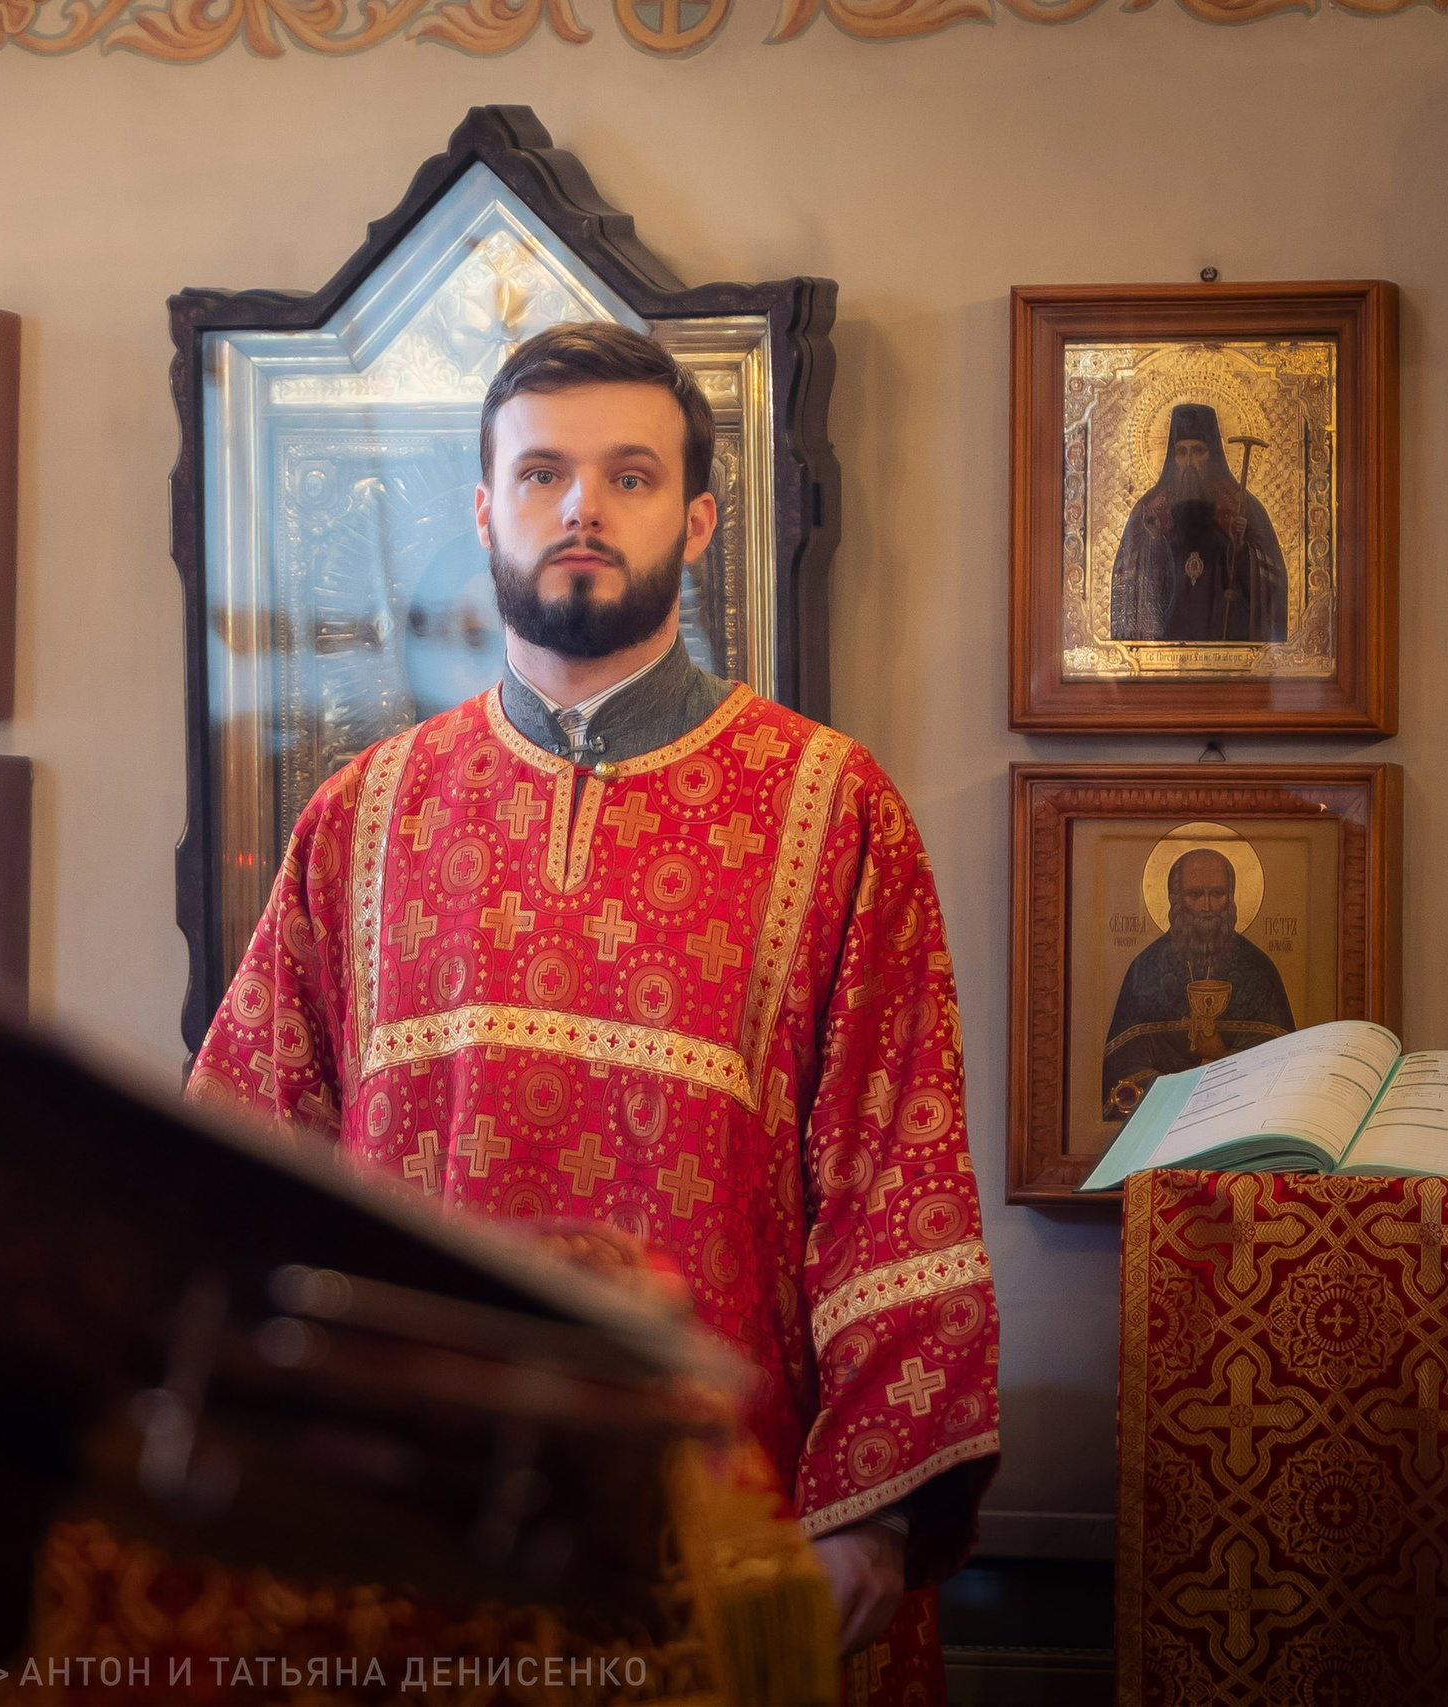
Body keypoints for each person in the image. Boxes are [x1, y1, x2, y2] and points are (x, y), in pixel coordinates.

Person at [188, 321, 999, 1701]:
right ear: (486, 510)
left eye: (628, 476)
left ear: (696, 520)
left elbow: (895, 1175)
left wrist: (865, 1511)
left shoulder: (830, 806)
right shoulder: (365, 816)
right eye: (545, 473)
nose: (582, 506)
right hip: (410, 1514)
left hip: (718, 1512)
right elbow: (244, 1158)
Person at [1102, 847, 1296, 1118]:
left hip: (1239, 1122)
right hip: (1162, 1124)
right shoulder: (1145, 969)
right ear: (1174, 899)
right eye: (1195, 895)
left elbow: (1283, 1064)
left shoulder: (1258, 968)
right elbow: (1123, 1071)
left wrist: (1221, 1056)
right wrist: (1188, 1084)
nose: (1206, 907)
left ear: (1230, 898)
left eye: (1217, 894)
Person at [1108, 403, 1289, 644]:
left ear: (1213, 455)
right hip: (1165, 645)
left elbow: (1273, 578)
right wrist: (1154, 542)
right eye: (1181, 452)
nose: (1189, 461)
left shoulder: (1242, 506)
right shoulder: (1150, 508)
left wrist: (1242, 548)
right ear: (1172, 457)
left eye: (1198, 450)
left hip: (1228, 641)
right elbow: (1126, 577)